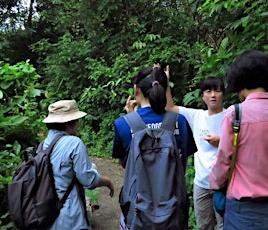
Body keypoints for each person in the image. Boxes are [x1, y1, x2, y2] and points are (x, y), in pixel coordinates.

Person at [209, 50, 268, 230]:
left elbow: (224, 160)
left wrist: (216, 185)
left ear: (240, 81)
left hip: (245, 212)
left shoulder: (236, 114)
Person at [113, 66, 196, 229]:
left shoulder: (123, 124)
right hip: (174, 212)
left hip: (138, 214)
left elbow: (125, 165)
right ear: (165, 88)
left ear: (136, 90)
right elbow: (183, 164)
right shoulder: (180, 122)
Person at [165, 70, 226, 230]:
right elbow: (170, 107)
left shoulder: (231, 116)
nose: (213, 95)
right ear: (202, 96)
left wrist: (221, 140)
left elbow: (242, 142)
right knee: (204, 225)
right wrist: (165, 83)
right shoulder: (196, 116)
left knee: (225, 226)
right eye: (208, 91)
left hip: (225, 183)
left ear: (223, 94)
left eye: (217, 90)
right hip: (201, 183)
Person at [42, 99, 114, 230]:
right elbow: (88, 180)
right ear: (70, 122)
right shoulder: (74, 143)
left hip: (47, 213)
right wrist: (108, 181)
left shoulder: (43, 145)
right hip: (70, 216)